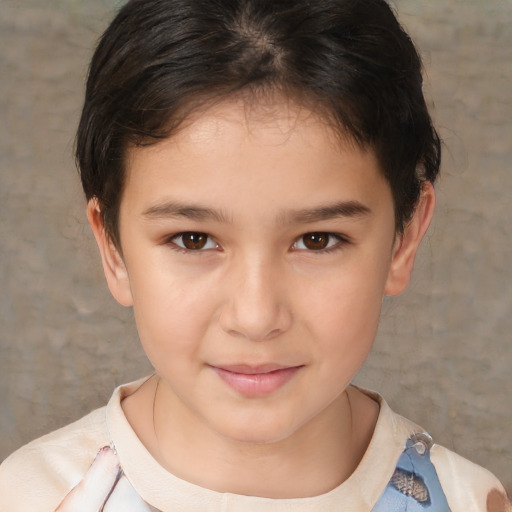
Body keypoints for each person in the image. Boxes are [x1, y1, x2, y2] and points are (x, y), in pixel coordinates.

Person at [0, 0, 509, 510]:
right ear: (112, 248)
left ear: (404, 238)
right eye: (193, 240)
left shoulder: (468, 499)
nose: (256, 317)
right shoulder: (27, 495)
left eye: (317, 240)